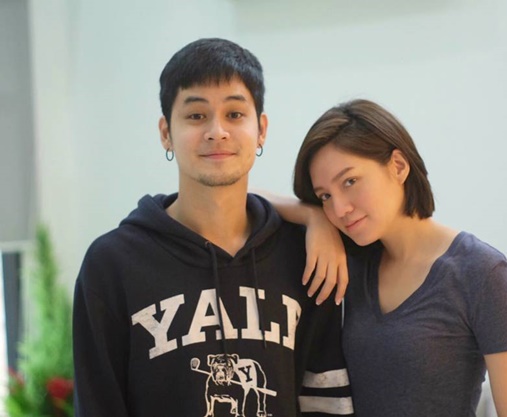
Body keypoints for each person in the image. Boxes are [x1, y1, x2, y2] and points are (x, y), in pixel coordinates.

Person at [72, 38, 353, 417]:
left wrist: (315, 218)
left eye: (235, 114)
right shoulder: (112, 264)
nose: (217, 131)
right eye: (196, 116)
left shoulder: (306, 255)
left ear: (261, 129)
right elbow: (98, 403)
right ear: (166, 133)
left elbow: (326, 400)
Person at [272, 99, 507, 417]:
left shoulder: (481, 271)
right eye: (325, 196)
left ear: (398, 166)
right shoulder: (351, 264)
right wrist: (313, 217)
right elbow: (244, 196)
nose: (339, 209)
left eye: (350, 181)